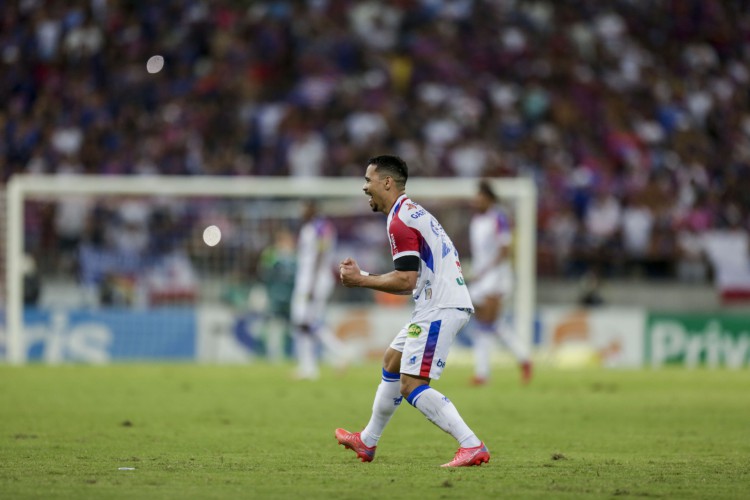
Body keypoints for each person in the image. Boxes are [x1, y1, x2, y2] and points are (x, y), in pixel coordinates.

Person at [336, 155, 489, 468]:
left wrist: (361, 279)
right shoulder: (410, 212)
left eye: (369, 180)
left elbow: (407, 280)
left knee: (412, 385)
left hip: (440, 305)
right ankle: (367, 441)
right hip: (436, 303)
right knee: (392, 360)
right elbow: (412, 278)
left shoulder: (399, 220)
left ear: (387, 183)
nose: (365, 187)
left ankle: (471, 444)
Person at [467, 180, 532, 386]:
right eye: (476, 197)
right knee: (489, 324)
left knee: (486, 324)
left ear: (490, 200)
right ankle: (524, 359)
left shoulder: (499, 218)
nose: (477, 201)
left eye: (481, 198)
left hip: (496, 276)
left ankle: (482, 374)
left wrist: (485, 271)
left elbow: (504, 250)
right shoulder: (476, 221)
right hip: (480, 277)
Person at [291, 200, 337, 379]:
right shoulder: (312, 227)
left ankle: (339, 352)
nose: (301, 211)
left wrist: (312, 282)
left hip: (313, 280)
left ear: (312, 209)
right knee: (305, 322)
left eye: (304, 207)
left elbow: (321, 254)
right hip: (309, 279)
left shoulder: (320, 227)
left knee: (304, 321)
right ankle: (308, 366)